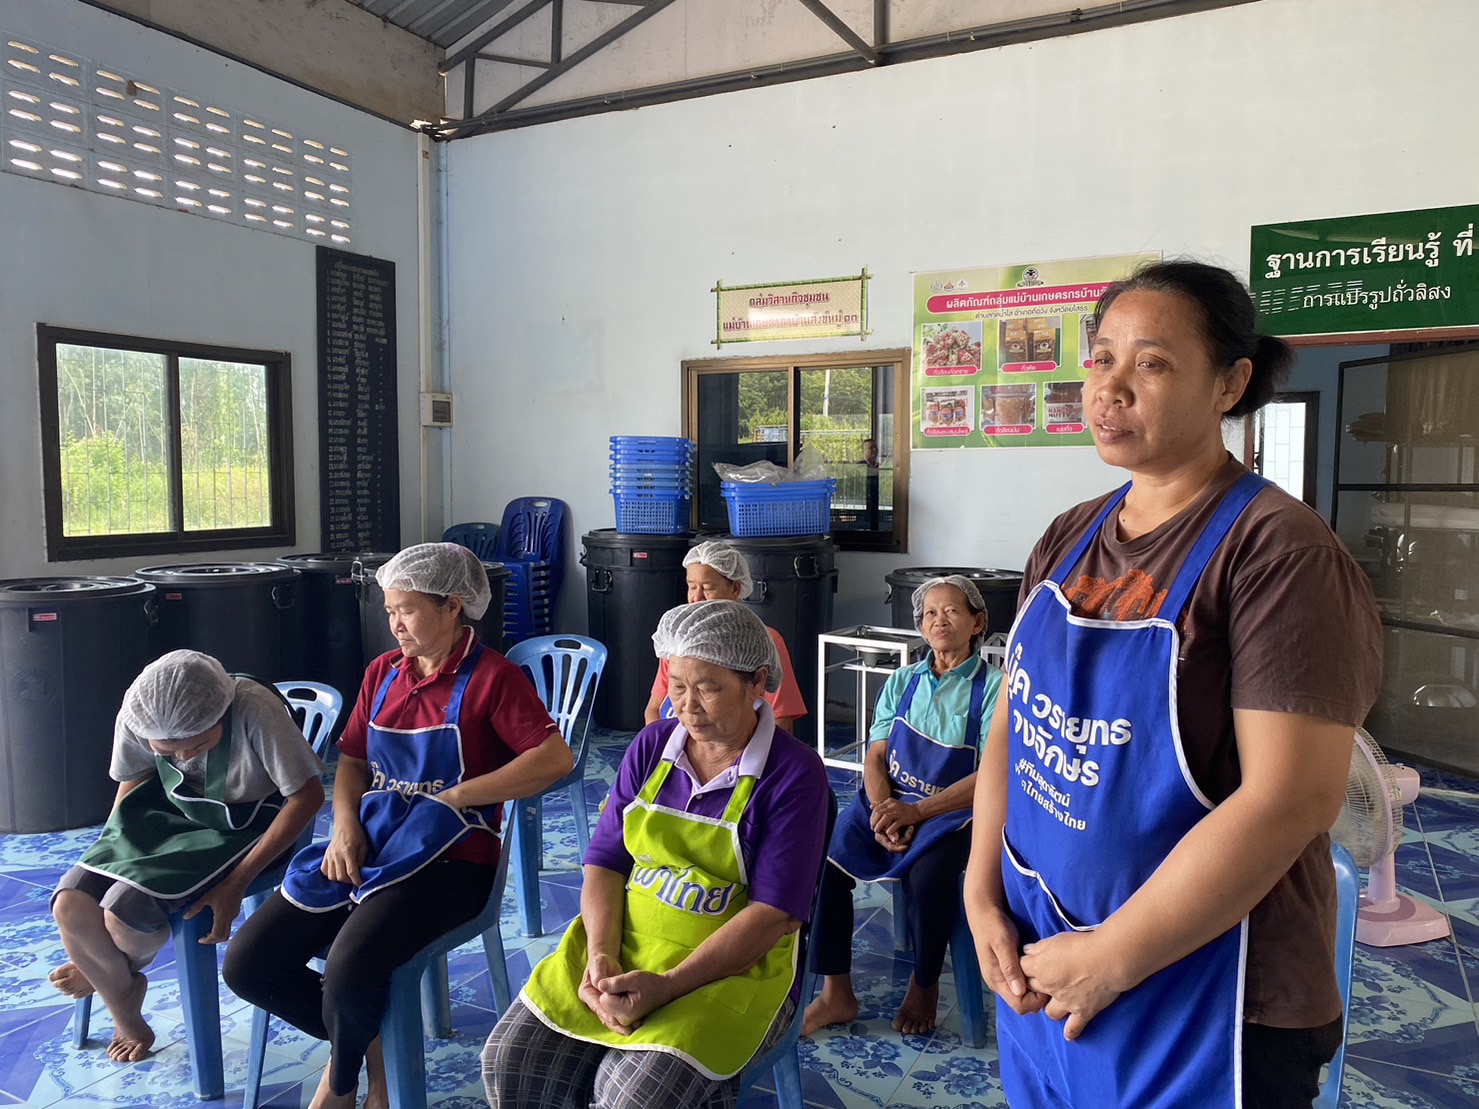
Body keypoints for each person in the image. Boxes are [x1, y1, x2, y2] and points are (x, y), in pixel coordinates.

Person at [963, 260, 1383, 1108]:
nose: (1110, 386)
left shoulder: (1277, 552)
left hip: (1208, 989)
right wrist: (979, 890)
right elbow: (1015, 725)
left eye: (1150, 362)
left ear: (1229, 383)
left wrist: (1112, 955)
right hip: (1050, 953)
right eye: (1100, 358)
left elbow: (1291, 798)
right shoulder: (1069, 534)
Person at [223, 542, 574, 1109]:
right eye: (389, 610)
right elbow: (353, 761)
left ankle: (340, 1087)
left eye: (406, 610)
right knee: (249, 964)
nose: (395, 625)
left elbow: (554, 759)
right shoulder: (382, 673)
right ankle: (368, 1043)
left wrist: (456, 797)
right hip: (374, 844)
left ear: (452, 606)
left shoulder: (495, 678)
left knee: (349, 968)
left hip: (452, 863)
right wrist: (344, 827)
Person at [482, 600, 831, 1109]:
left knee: (634, 1096)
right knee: (510, 1060)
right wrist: (601, 954)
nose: (687, 706)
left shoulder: (794, 774)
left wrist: (667, 986)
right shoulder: (651, 747)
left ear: (757, 682)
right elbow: (605, 862)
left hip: (732, 970)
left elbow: (772, 915)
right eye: (678, 686)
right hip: (624, 940)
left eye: (707, 687)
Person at [50, 650, 324, 1064]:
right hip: (170, 812)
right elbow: (133, 779)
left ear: (221, 715)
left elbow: (307, 796)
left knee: (122, 913)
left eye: (197, 745)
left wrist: (236, 885)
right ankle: (120, 985)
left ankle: (112, 990)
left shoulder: (254, 708)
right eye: (167, 751)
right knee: (70, 903)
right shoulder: (139, 711)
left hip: (247, 822)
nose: (183, 758)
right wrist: (114, 846)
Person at [802, 575, 1002, 1038]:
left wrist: (917, 813)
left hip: (953, 813)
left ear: (977, 623)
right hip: (889, 799)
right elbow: (875, 756)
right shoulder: (902, 680)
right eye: (930, 613)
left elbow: (990, 777)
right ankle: (837, 992)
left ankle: (924, 982)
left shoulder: (996, 688)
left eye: (951, 611)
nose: (939, 620)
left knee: (929, 879)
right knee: (824, 863)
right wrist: (882, 809)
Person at [642, 540, 808, 732]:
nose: (697, 598)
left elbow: (781, 719)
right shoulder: (678, 641)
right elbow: (654, 709)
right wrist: (659, 745)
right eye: (692, 586)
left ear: (735, 589)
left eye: (708, 588)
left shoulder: (762, 641)